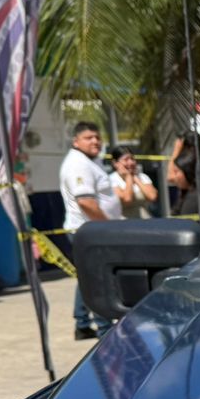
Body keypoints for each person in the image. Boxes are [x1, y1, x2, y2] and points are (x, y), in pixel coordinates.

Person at [59, 120, 120, 340]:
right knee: (99, 280)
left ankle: (82, 323)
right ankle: (105, 330)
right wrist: (108, 227)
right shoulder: (79, 165)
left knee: (88, 278)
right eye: (88, 138)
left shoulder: (89, 161)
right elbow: (86, 202)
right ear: (76, 141)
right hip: (91, 231)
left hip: (92, 230)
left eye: (97, 137)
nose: (95, 141)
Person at [111, 147, 158, 219]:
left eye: (132, 159)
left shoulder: (142, 177)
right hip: (123, 223)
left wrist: (136, 178)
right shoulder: (112, 179)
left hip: (145, 221)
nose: (131, 162)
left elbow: (152, 197)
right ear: (115, 163)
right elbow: (127, 199)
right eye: (126, 159)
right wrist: (129, 177)